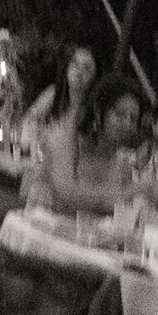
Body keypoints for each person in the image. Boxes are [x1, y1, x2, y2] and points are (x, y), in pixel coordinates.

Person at [25, 72, 143, 215]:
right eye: (120, 114)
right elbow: (68, 193)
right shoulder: (64, 139)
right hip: (40, 229)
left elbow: (119, 212)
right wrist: (134, 191)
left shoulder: (122, 161)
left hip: (84, 235)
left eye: (133, 119)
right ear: (99, 112)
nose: (127, 124)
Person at [22, 43, 97, 140]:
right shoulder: (54, 93)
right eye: (75, 63)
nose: (79, 71)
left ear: (94, 76)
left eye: (86, 68)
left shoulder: (93, 109)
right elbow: (28, 120)